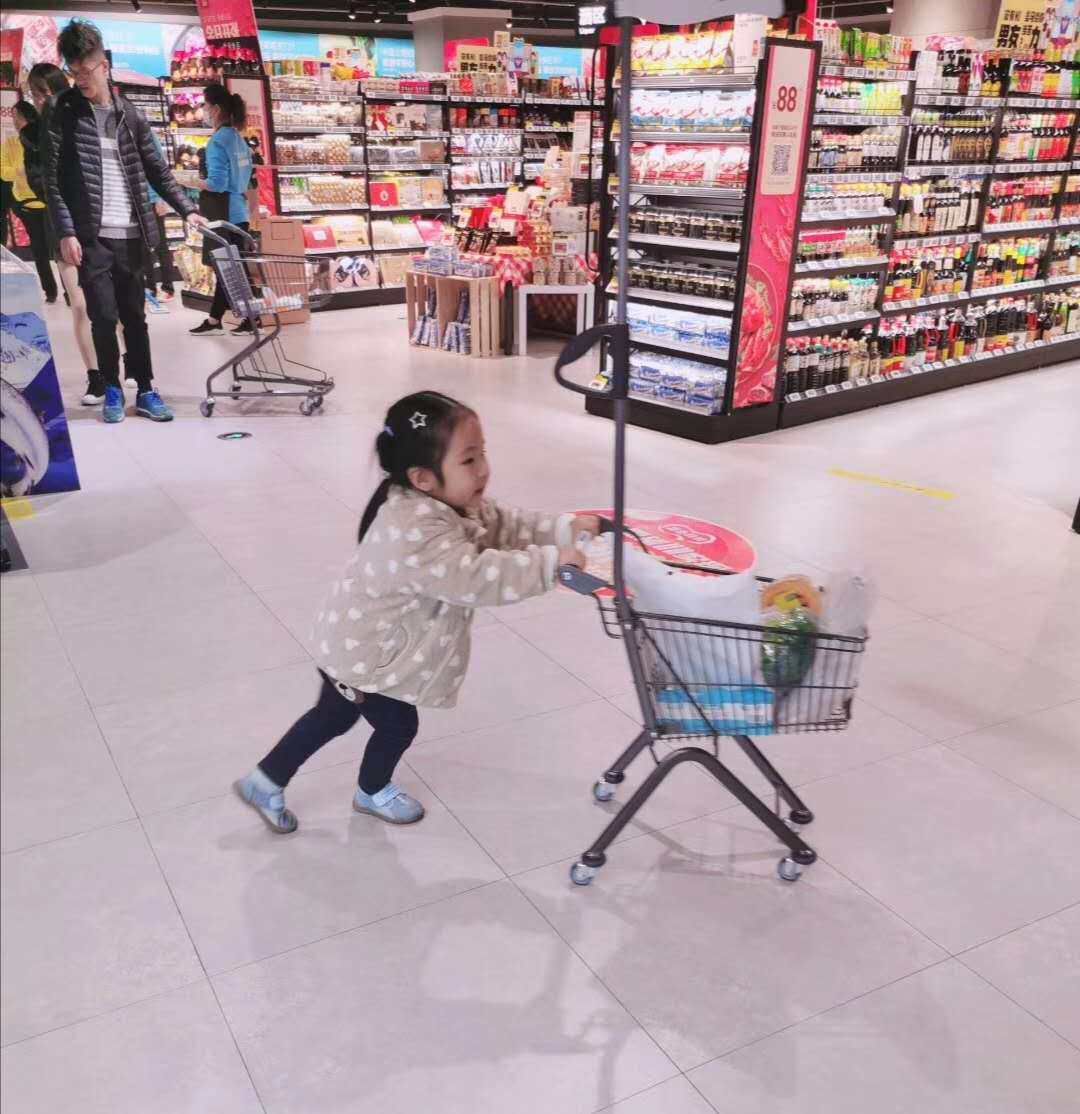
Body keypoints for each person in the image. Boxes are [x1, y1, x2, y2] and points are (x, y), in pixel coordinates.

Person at [234, 391, 598, 832]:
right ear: (422, 477)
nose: (483, 469)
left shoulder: (447, 502)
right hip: (366, 656)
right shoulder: (415, 530)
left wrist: (564, 528)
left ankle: (265, 781)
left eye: (482, 453)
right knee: (396, 726)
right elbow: (474, 578)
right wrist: (548, 565)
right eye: (468, 460)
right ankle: (371, 791)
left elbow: (505, 523)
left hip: (362, 646)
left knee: (332, 716)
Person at [42, 19, 207, 424]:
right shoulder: (62, 112)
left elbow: (157, 170)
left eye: (86, 69)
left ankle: (146, 388)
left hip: (132, 234)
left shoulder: (129, 114)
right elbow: (52, 179)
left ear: (105, 65)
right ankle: (112, 388)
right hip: (92, 235)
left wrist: (187, 208)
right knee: (101, 316)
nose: (80, 79)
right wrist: (66, 231)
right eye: (74, 71)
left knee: (135, 316)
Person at [27, 62, 102, 405]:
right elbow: (38, 183)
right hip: (60, 227)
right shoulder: (33, 136)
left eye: (45, 92)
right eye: (35, 94)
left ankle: (130, 361)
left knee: (111, 305)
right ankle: (95, 375)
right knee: (80, 304)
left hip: (97, 224)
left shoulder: (82, 120)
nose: (41, 100)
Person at [189, 83, 254, 337]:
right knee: (229, 268)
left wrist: (192, 181)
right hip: (239, 211)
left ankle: (254, 317)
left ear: (215, 109)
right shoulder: (238, 138)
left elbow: (217, 183)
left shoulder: (217, 141)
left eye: (205, 106)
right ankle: (215, 319)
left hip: (223, 213)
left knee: (230, 269)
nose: (204, 111)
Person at [1, 102, 58, 303]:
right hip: (25, 203)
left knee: (59, 248)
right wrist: (20, 171)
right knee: (39, 250)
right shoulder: (10, 144)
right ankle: (50, 290)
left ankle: (70, 292)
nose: (14, 120)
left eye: (16, 115)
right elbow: (3, 172)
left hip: (48, 201)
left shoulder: (43, 138)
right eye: (12, 116)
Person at [145, 131, 176, 302]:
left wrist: (159, 198)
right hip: (135, 200)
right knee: (142, 247)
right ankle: (149, 287)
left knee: (160, 244)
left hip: (152, 199)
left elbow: (159, 166)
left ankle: (167, 287)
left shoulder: (147, 135)